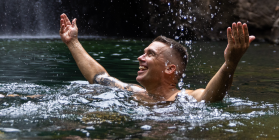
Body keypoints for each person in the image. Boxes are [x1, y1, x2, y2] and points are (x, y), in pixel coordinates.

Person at [59, 13, 254, 103]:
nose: (140, 58)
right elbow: (99, 77)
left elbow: (211, 96)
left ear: (170, 68)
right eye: (143, 53)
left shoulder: (184, 98)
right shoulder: (134, 92)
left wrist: (230, 63)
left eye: (149, 54)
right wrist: (73, 42)